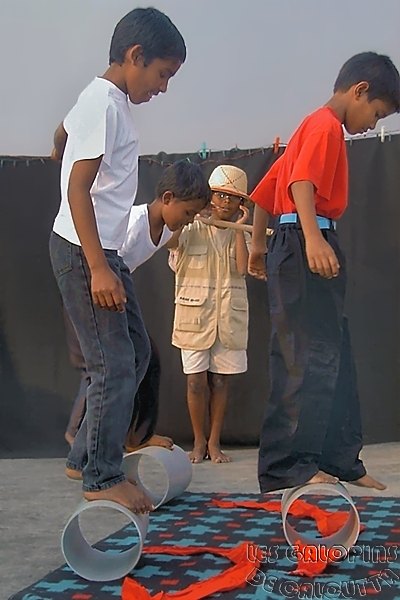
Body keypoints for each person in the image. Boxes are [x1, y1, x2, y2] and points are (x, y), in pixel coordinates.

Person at [49, 7, 188, 513]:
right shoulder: (103, 105)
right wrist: (98, 267)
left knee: (137, 353)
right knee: (112, 366)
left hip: (103, 251)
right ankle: (102, 475)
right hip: (84, 252)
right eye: (162, 74)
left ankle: (85, 455)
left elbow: (63, 132)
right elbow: (77, 189)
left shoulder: (102, 102)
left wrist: (61, 146)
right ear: (135, 56)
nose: (163, 88)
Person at [248, 52, 400, 493]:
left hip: (302, 238)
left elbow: (266, 193)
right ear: (360, 91)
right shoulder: (323, 126)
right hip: (304, 241)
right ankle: (286, 466)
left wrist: (257, 247)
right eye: (376, 114)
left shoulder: (310, 131)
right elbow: (300, 186)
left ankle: (340, 459)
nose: (372, 124)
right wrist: (313, 239)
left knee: (333, 355)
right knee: (300, 356)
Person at [62, 161, 211, 454]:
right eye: (187, 213)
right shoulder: (132, 224)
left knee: (146, 357)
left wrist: (203, 216)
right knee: (102, 365)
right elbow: (96, 259)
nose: (189, 220)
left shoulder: (167, 228)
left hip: (114, 296)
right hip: (89, 289)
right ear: (167, 198)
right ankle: (78, 436)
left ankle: (136, 435)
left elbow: (175, 238)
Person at [168, 165, 251, 464]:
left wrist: (240, 228)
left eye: (232, 197)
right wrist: (190, 218)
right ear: (209, 197)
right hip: (194, 318)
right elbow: (169, 243)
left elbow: (243, 268)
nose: (225, 202)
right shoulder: (191, 226)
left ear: (241, 203)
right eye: (219, 195)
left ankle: (215, 441)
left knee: (220, 382)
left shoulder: (244, 233)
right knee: (195, 382)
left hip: (228, 319)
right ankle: (198, 441)